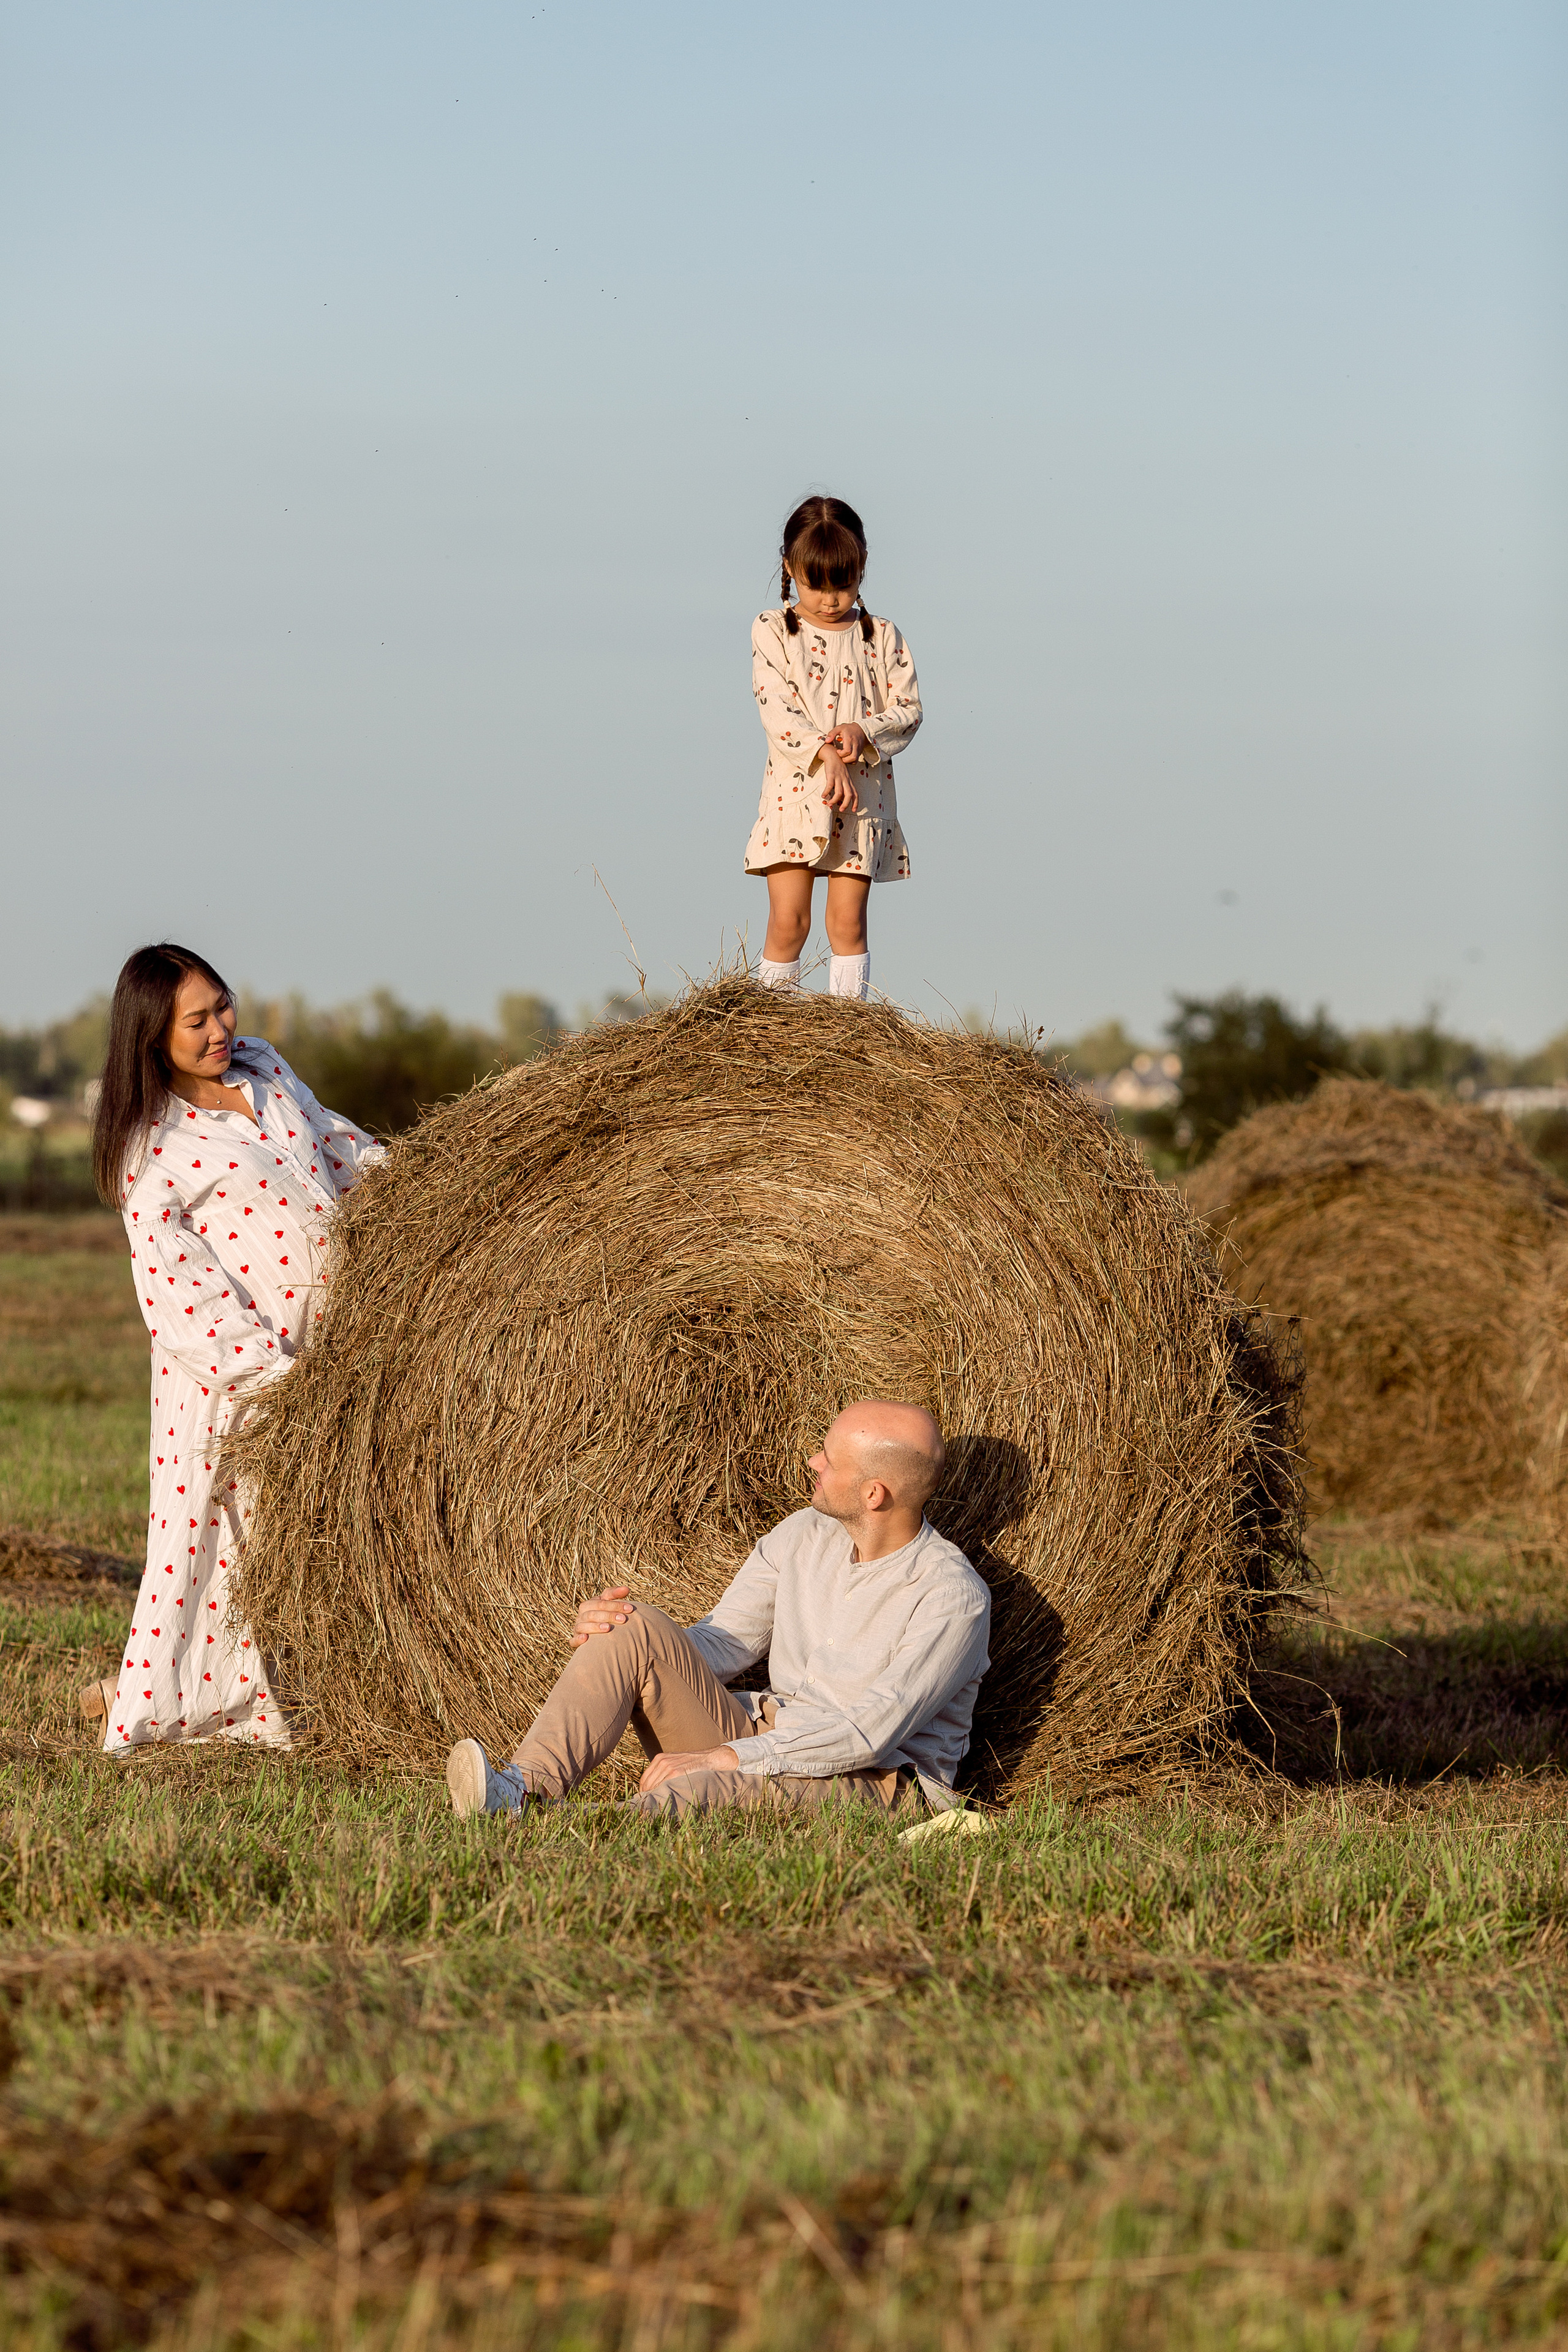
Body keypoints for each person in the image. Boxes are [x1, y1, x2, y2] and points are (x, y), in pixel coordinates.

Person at [82, 943, 382, 1750]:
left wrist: (412, 1185)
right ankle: (177, 1714)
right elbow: (181, 1293)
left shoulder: (264, 1068)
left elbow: (333, 1145)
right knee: (216, 1551)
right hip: (234, 1380)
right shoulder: (153, 1147)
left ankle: (317, 1698)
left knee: (322, 1537)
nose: (220, 1029)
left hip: (330, 1351)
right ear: (151, 1035)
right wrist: (271, 1383)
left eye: (223, 1006)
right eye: (196, 1021)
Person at [445, 1400, 990, 1822]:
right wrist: (632, 1643)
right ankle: (522, 1792)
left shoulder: (951, 1598)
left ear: (874, 1494)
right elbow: (724, 1642)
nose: (812, 1462)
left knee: (700, 1790)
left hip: (878, 1782)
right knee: (631, 1624)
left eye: (829, 1457)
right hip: (762, 1732)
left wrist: (727, 1758)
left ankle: (580, 1830)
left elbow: (867, 1733)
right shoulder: (804, 1534)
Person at [745, 496, 922, 1002]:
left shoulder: (882, 637)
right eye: (815, 584)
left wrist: (864, 731)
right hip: (796, 796)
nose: (830, 599)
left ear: (862, 566)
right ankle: (770, 1035)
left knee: (847, 923)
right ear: (789, 568)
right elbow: (775, 708)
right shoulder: (772, 630)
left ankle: (847, 1039)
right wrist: (824, 753)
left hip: (861, 798)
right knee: (789, 922)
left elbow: (909, 710)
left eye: (843, 584)